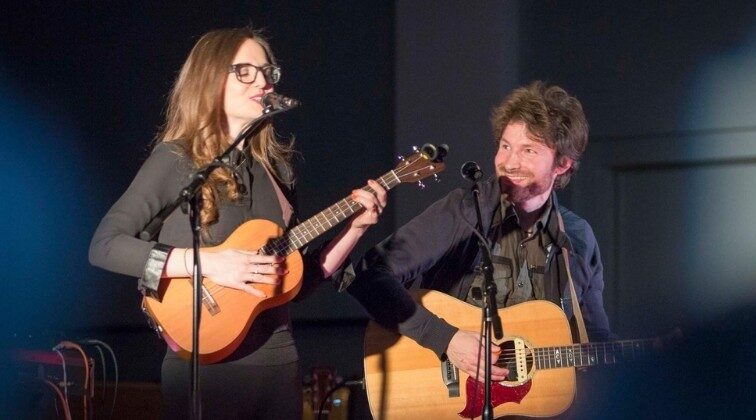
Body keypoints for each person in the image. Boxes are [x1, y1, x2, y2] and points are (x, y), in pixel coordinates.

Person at [88, 28, 387, 419]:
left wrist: (355, 230)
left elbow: (295, 282)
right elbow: (105, 245)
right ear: (210, 79)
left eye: (267, 72)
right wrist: (211, 263)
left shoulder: (277, 171)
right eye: (245, 71)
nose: (263, 82)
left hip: (279, 367)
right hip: (202, 371)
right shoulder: (176, 161)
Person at [342, 81, 612, 381]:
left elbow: (594, 338)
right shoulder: (465, 209)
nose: (508, 162)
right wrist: (447, 339)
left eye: (528, 150)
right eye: (505, 146)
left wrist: (651, 356)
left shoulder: (576, 238)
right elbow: (368, 276)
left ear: (561, 164)